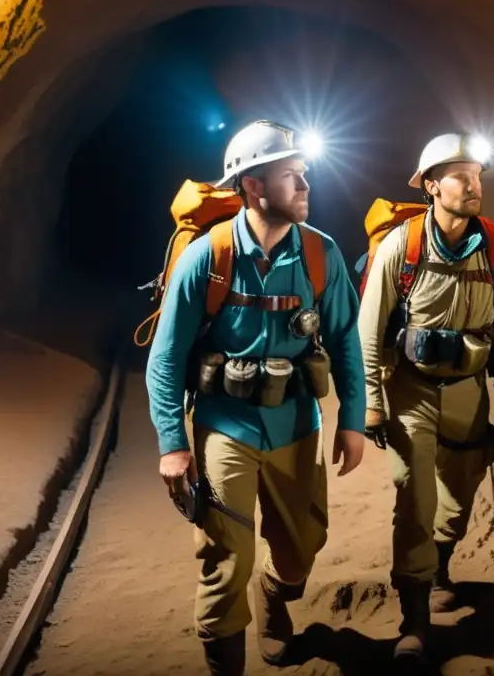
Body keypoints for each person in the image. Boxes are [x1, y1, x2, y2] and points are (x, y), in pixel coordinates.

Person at [145, 120, 367, 675]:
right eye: (292, 176)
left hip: (297, 421)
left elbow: (344, 341)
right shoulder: (208, 257)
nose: (305, 188)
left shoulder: (321, 256)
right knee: (226, 559)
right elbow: (166, 358)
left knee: (301, 549)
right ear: (253, 186)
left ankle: (274, 596)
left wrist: (354, 421)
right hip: (226, 424)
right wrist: (173, 443)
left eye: (305, 176)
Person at [357, 132, 494, 664]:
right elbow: (369, 332)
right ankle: (414, 617)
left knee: (457, 500)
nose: (474, 184)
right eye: (461, 176)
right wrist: (371, 398)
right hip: (409, 390)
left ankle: (439, 562)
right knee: (415, 498)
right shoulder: (403, 247)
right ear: (432, 186)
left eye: (478, 175)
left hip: (469, 392)